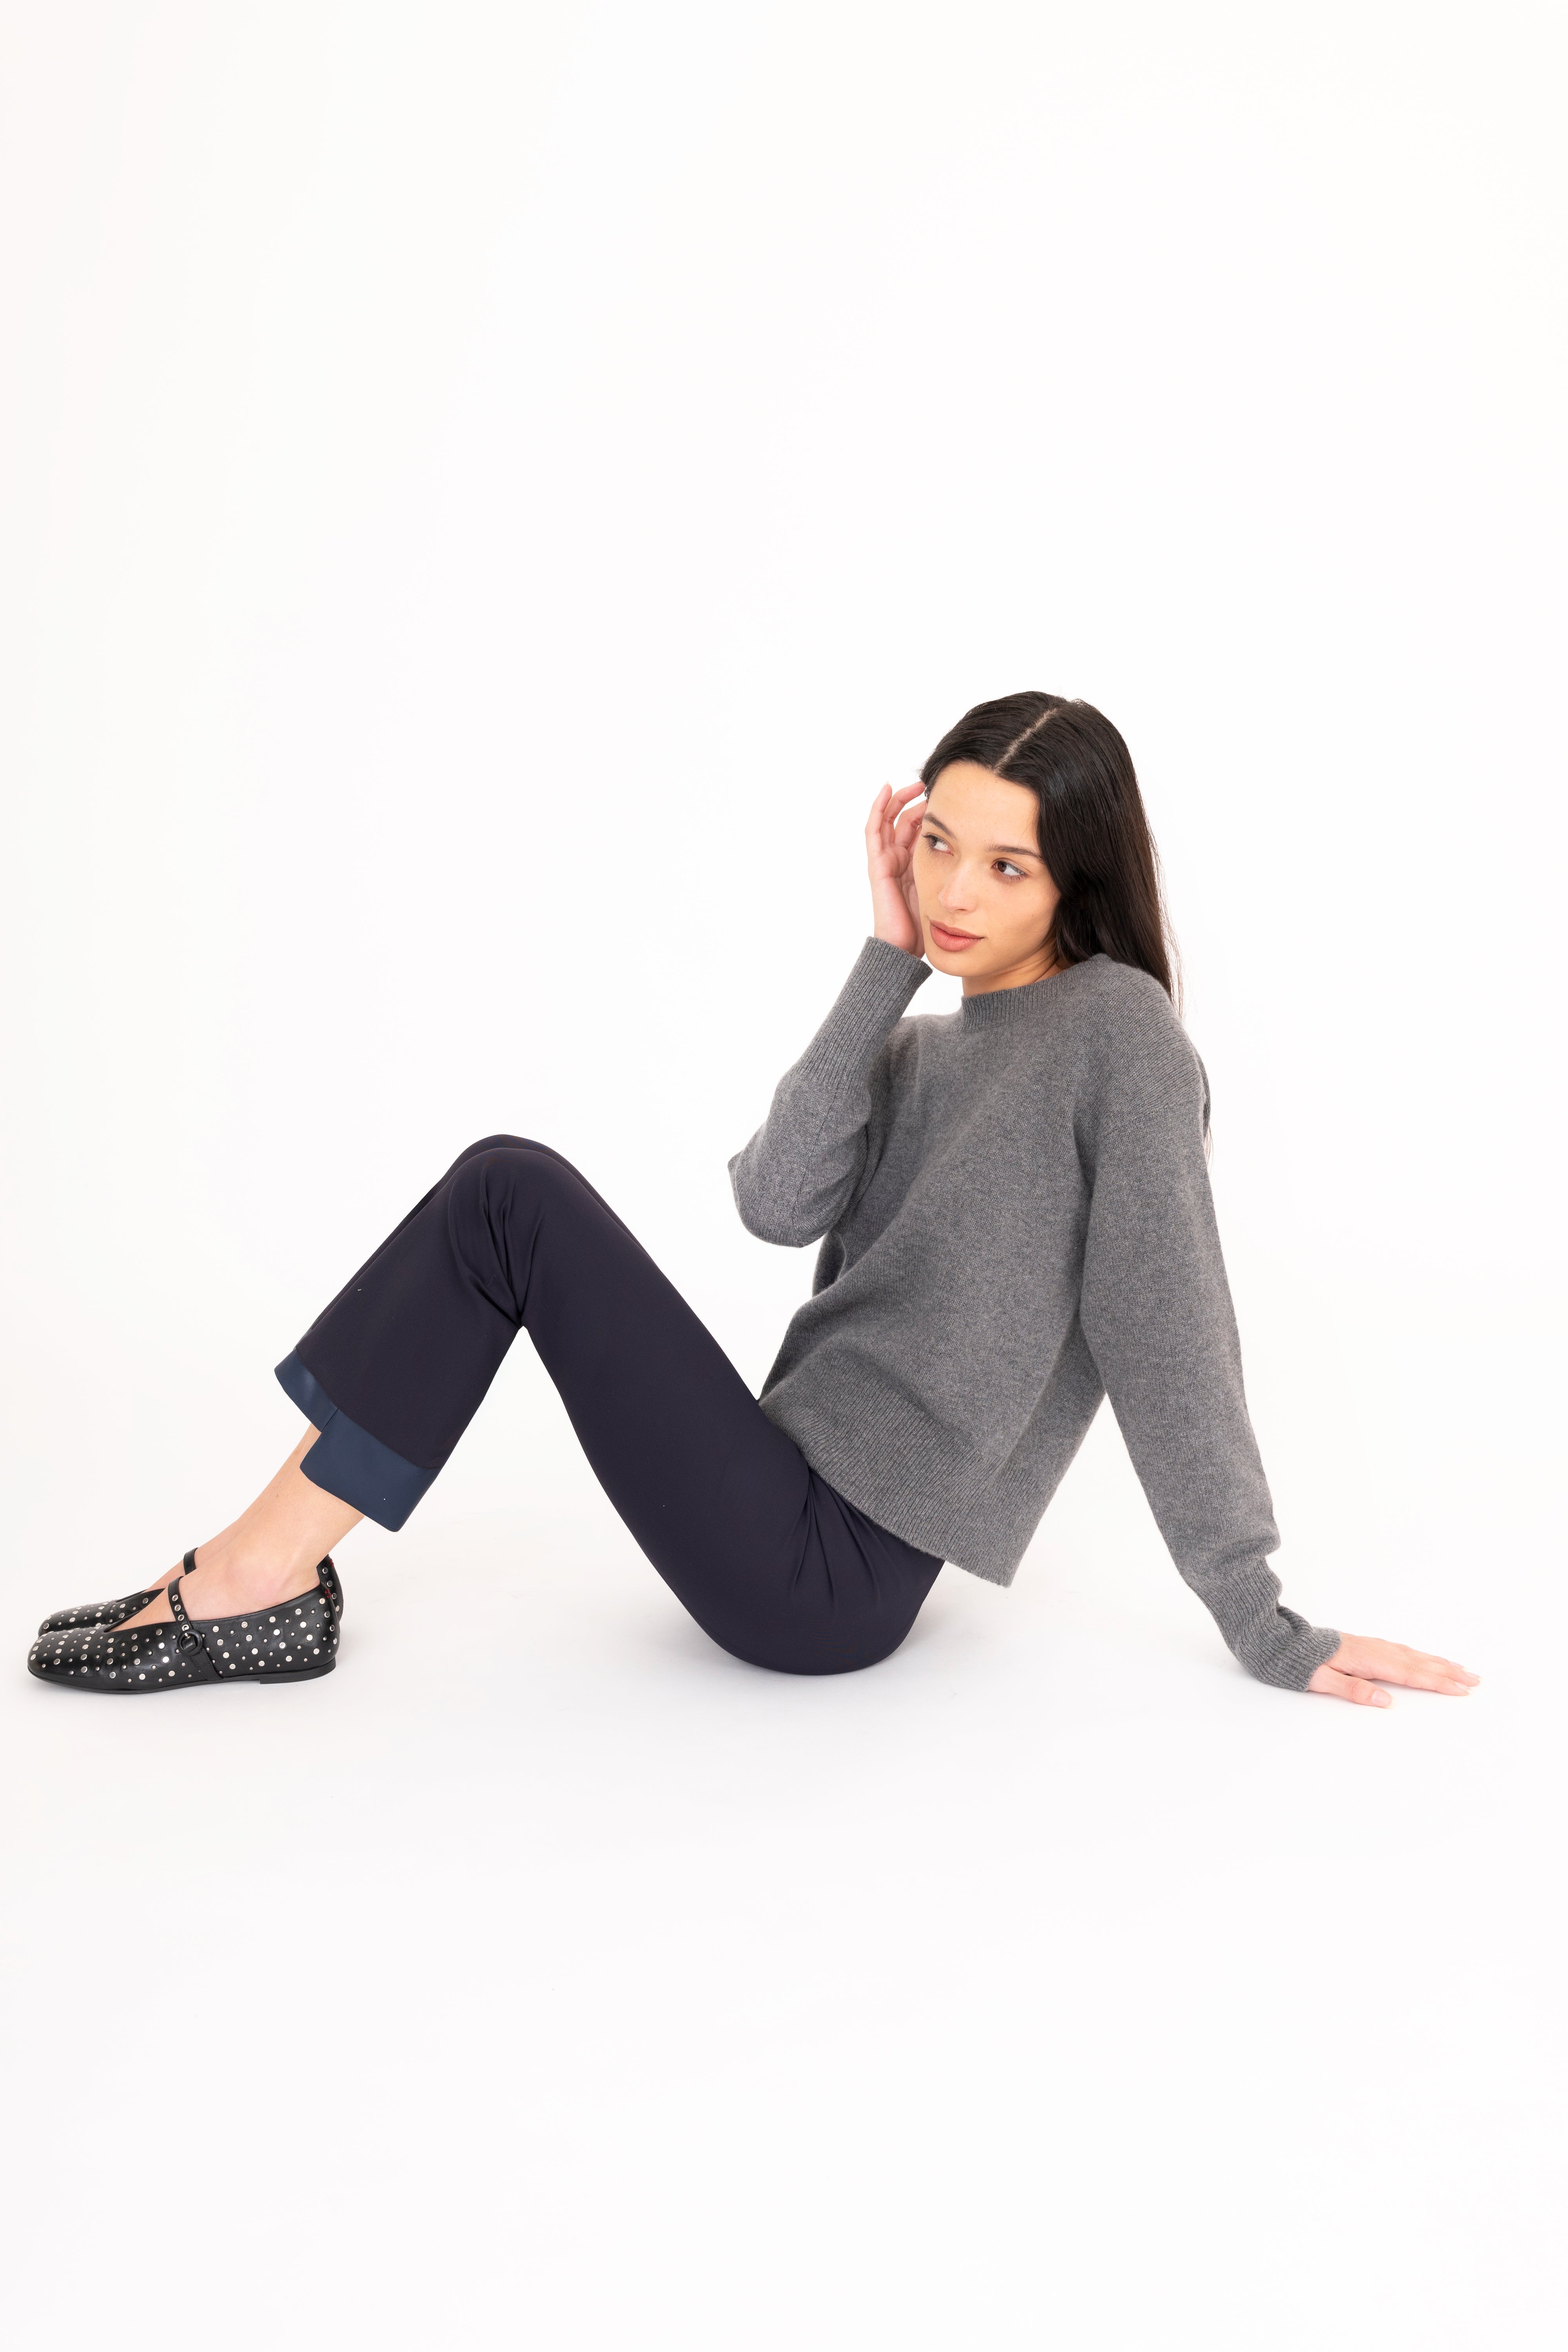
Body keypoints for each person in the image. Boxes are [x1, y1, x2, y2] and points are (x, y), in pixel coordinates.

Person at [28, 692, 1477, 1708]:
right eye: (939, 843)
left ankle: (253, 1582)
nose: (959, 890)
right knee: (508, 1198)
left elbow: (1170, 1328)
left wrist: (1257, 1609)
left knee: (508, 1196)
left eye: (1007, 863)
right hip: (783, 1495)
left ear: (1074, 881)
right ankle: (257, 1578)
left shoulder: (1121, 1039)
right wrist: (882, 962)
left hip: (831, 1578)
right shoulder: (918, 1042)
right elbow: (774, 1208)